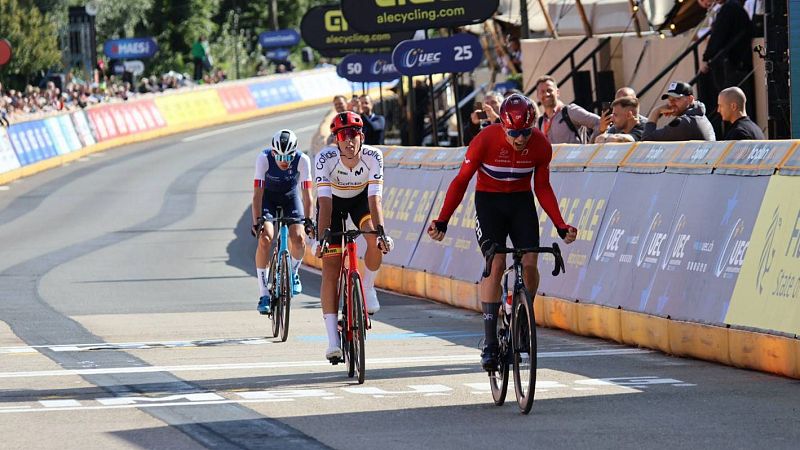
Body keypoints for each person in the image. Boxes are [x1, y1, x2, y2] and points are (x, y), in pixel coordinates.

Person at [427, 94, 577, 371]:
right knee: (496, 263)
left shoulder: (541, 146)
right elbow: (461, 182)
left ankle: (523, 319)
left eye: (525, 132)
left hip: (521, 203)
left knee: (530, 260)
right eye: (514, 133)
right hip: (489, 203)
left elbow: (542, 187)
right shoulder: (485, 139)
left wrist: (560, 223)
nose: (520, 139)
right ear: (503, 126)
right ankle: (489, 341)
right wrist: (442, 220)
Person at [315, 111, 394, 361]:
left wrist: (381, 232)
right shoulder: (324, 158)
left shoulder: (373, 157)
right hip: (333, 204)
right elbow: (324, 204)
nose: (348, 141)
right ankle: (332, 341)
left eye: (353, 135)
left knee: (373, 239)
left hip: (361, 200)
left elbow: (375, 199)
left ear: (361, 137)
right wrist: (322, 239)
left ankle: (368, 286)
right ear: (336, 140)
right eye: (342, 136)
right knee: (331, 267)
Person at [252, 129, 315, 315]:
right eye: (279, 156)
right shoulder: (263, 158)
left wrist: (309, 221)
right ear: (273, 152)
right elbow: (257, 196)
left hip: (290, 198)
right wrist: (257, 222)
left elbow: (307, 196)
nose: (284, 160)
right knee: (265, 238)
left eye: (288, 156)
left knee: (299, 238)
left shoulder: (302, 160)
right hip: (268, 199)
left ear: (294, 153)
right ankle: (264, 293)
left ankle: (293, 273)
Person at [698, 0, 756, 120]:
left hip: (733, 66)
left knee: (730, 106)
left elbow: (718, 36)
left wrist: (706, 58)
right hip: (739, 64)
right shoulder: (733, 8)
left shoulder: (728, 9)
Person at [534, 75, 600, 144]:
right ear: (538, 96)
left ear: (557, 92)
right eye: (542, 92)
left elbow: (599, 122)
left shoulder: (570, 111)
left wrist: (590, 146)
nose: (546, 94)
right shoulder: (540, 122)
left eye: (549, 90)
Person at [643, 81, 716, 141]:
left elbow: (646, 139)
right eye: (669, 100)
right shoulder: (696, 115)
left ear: (690, 99)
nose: (671, 104)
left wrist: (656, 111)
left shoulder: (686, 122)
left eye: (676, 99)